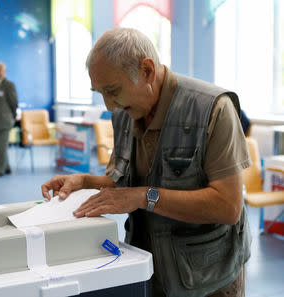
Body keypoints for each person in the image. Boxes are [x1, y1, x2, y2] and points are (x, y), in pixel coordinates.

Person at [41, 28, 251, 297]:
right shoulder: (124, 114)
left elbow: (228, 207)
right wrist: (84, 182)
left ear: (148, 71)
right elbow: (127, 185)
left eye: (112, 91)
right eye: (100, 93)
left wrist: (146, 197)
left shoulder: (213, 110)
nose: (108, 106)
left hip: (208, 278)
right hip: (149, 268)